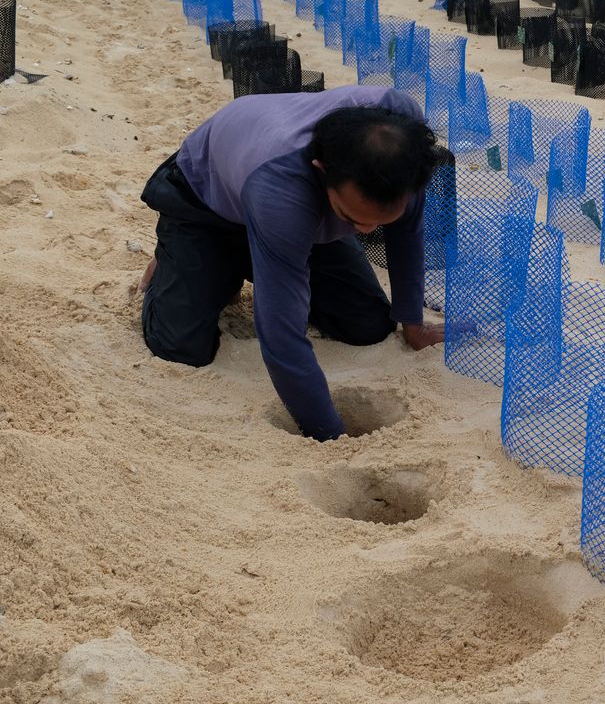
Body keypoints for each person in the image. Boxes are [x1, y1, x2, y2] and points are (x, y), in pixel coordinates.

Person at [137, 85, 447, 441]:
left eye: (378, 221)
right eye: (354, 218)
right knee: (179, 347)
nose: (365, 230)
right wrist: (330, 435)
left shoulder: (404, 141)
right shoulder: (283, 188)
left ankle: (238, 262)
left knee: (369, 326)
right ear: (321, 169)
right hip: (207, 199)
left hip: (295, 214)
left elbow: (408, 230)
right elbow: (281, 333)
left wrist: (413, 324)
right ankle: (173, 256)